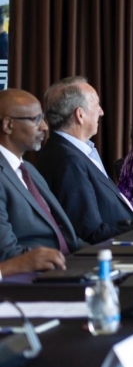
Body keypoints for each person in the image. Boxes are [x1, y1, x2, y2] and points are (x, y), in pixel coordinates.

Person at [34, 76, 133, 244]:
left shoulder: (73, 151)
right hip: (111, 253)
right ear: (80, 114)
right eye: (96, 105)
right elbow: (90, 231)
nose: (101, 111)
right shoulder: (68, 160)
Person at [0, 89, 81, 260]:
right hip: (32, 277)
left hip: (69, 263)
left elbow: (65, 236)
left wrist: (104, 253)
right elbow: (7, 253)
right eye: (36, 119)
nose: (44, 126)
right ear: (8, 125)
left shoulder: (29, 169)